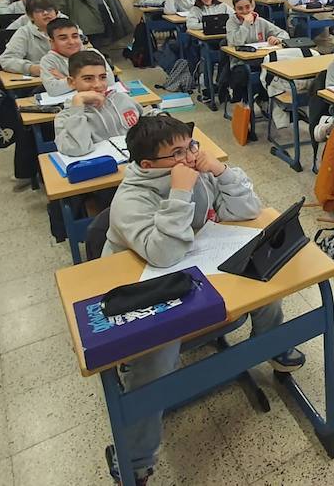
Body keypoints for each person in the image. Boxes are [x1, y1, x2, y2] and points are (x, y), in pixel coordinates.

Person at [105, 114, 304, 485]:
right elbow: (162, 254)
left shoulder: (197, 173)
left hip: (197, 267)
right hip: (146, 287)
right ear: (147, 165)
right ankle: (135, 458)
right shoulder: (130, 200)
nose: (190, 157)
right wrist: (180, 192)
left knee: (259, 276)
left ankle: (272, 345)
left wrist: (220, 171)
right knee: (157, 354)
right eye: (177, 153)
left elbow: (246, 210)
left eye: (191, 147)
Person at [53, 51, 143, 156]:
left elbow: (145, 123)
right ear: (71, 82)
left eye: (102, 77)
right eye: (88, 79)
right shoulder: (65, 118)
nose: (98, 84)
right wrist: (78, 103)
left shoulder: (122, 99)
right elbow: (78, 149)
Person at [1, 0, 58, 76]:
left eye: (49, 9)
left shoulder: (65, 29)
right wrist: (30, 68)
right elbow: (6, 60)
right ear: (30, 16)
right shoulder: (24, 33)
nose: (45, 13)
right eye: (39, 10)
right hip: (36, 81)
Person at [39, 17, 99, 96]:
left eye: (75, 36)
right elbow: (53, 90)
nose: (71, 42)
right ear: (52, 42)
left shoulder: (92, 53)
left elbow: (109, 80)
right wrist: (86, 79)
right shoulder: (48, 61)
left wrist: (67, 79)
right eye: (63, 38)